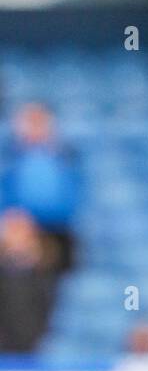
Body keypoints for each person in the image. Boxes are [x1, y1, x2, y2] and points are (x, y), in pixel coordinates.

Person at [1, 103, 81, 271]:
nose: (34, 127)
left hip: (58, 230)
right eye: (29, 122)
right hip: (17, 226)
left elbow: (74, 195)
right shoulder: (9, 157)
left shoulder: (67, 157)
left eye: (39, 121)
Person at [0, 208, 56, 353]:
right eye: (12, 230)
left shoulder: (48, 272)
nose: (17, 237)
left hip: (38, 349)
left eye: (21, 230)